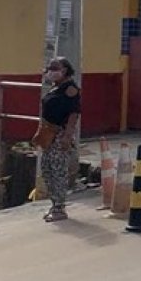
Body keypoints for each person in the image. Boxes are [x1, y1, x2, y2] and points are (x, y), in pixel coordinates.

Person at [39, 56, 80, 222]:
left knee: (58, 171)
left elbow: (73, 114)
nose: (50, 71)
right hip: (48, 133)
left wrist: (67, 136)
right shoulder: (55, 87)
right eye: (49, 68)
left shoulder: (70, 89)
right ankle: (54, 203)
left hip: (60, 134)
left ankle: (59, 207)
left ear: (64, 70)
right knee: (47, 169)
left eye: (54, 68)